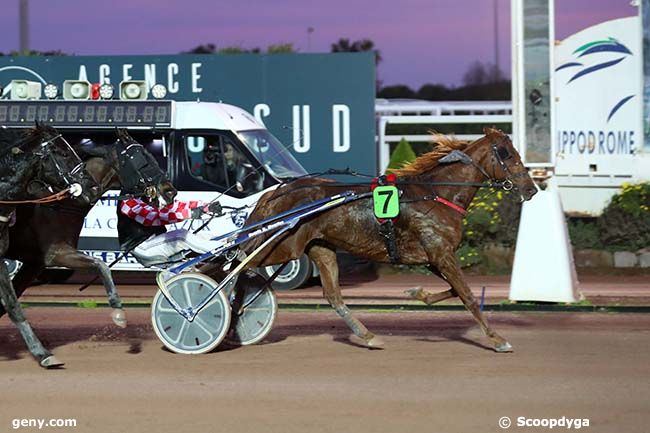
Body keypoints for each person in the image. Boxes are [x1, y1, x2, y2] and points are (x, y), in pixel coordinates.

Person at [117, 196, 223, 267]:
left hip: (155, 242)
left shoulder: (148, 197)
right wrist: (190, 213)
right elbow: (153, 218)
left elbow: (174, 207)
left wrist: (206, 207)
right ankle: (224, 251)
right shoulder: (127, 202)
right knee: (182, 236)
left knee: (204, 236)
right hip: (141, 247)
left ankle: (226, 248)